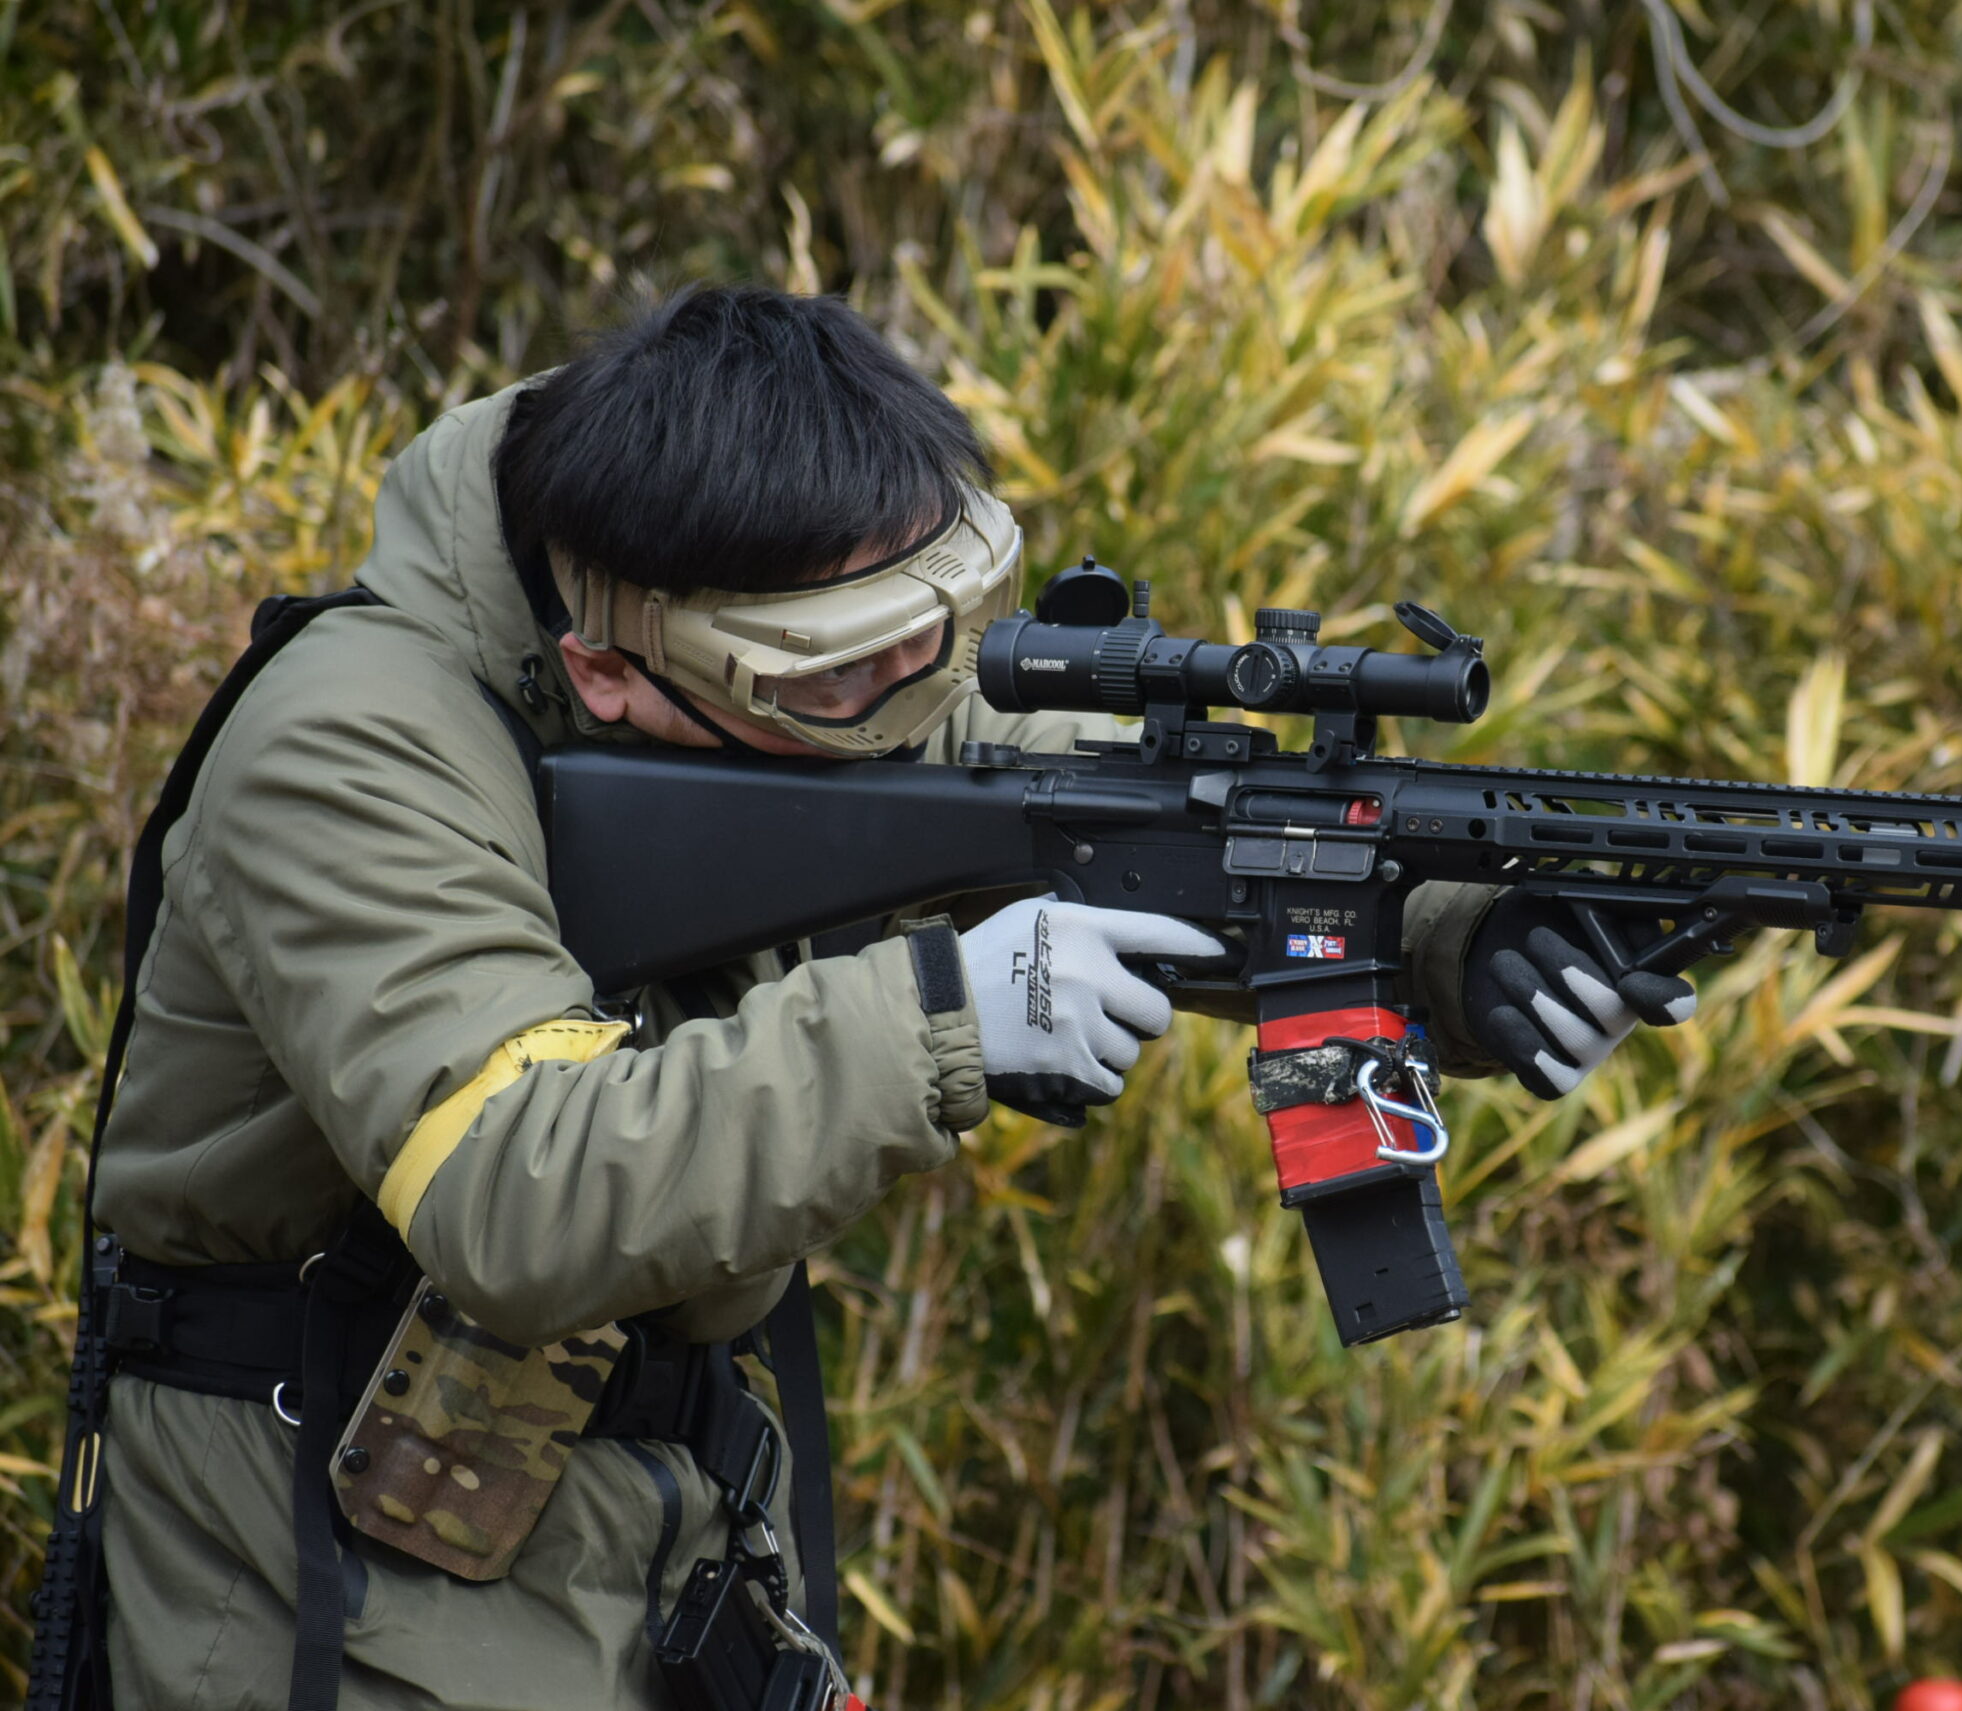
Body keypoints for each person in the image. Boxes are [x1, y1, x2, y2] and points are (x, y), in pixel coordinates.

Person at [61, 286, 1693, 1711]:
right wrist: (950, 1012)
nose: (912, 698)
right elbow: (516, 1187)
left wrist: (1455, 936)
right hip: (328, 1581)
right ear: (613, 667)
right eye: (848, 673)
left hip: (622, 1545)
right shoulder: (346, 745)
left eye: (934, 634)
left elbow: (1115, 802)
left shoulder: (781, 650)